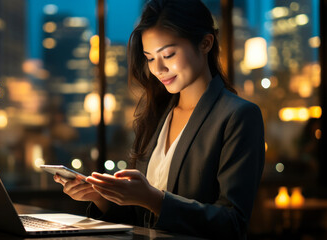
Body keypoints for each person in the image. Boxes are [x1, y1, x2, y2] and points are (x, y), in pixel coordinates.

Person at [54, 0, 264, 238]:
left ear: (205, 43)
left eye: (168, 54)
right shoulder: (155, 116)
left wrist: (154, 199)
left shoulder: (238, 116)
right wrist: (100, 198)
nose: (158, 68)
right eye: (150, 58)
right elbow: (139, 219)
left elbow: (233, 224)